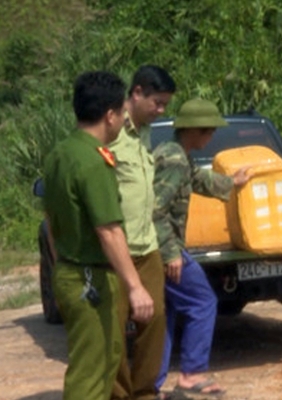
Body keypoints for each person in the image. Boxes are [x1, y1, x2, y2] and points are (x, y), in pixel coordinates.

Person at [43, 71, 154, 400]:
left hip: (68, 271)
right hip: (90, 277)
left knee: (100, 364)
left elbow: (50, 220)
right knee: (93, 371)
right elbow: (108, 230)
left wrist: (61, 262)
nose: (122, 119)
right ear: (110, 115)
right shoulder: (95, 162)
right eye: (122, 112)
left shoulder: (59, 155)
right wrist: (136, 288)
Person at [152, 99, 251, 396]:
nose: (211, 137)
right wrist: (171, 253)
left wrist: (231, 182)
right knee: (202, 301)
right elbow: (155, 210)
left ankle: (150, 384)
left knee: (166, 313)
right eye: (209, 131)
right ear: (194, 131)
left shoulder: (175, 154)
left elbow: (198, 180)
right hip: (163, 248)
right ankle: (192, 374)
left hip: (156, 248)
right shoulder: (175, 161)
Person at [109, 65, 176, 400]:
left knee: (156, 319)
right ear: (136, 93)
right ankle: (119, 394)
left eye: (165, 104)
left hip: (147, 245)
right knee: (115, 327)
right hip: (117, 248)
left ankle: (145, 392)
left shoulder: (146, 131)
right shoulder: (111, 130)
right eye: (157, 103)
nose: (161, 110)